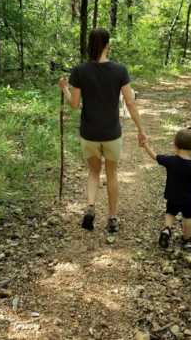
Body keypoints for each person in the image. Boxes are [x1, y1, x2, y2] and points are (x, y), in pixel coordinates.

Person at [59, 28, 147, 234]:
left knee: (93, 172)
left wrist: (64, 88)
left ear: (90, 45)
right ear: (108, 45)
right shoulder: (120, 70)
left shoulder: (79, 71)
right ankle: (112, 218)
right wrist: (141, 130)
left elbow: (73, 104)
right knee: (112, 173)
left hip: (89, 133)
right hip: (112, 134)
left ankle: (90, 207)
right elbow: (130, 103)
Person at [141, 129, 191, 249]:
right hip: (189, 200)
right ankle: (186, 240)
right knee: (188, 218)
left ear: (175, 145)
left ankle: (167, 230)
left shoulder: (170, 161)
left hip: (173, 197)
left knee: (170, 213)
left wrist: (145, 145)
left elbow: (155, 156)